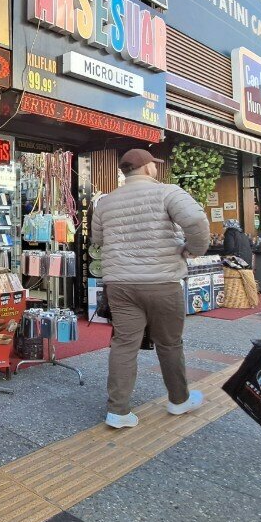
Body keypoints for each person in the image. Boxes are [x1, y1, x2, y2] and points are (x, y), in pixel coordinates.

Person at [92, 148, 210, 429]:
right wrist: (194, 249)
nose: (156, 169)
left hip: (120, 284)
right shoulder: (167, 192)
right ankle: (178, 400)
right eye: (153, 165)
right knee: (169, 343)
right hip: (162, 281)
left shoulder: (105, 202)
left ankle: (118, 411)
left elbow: (97, 240)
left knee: (124, 344)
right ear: (146, 168)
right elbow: (195, 221)